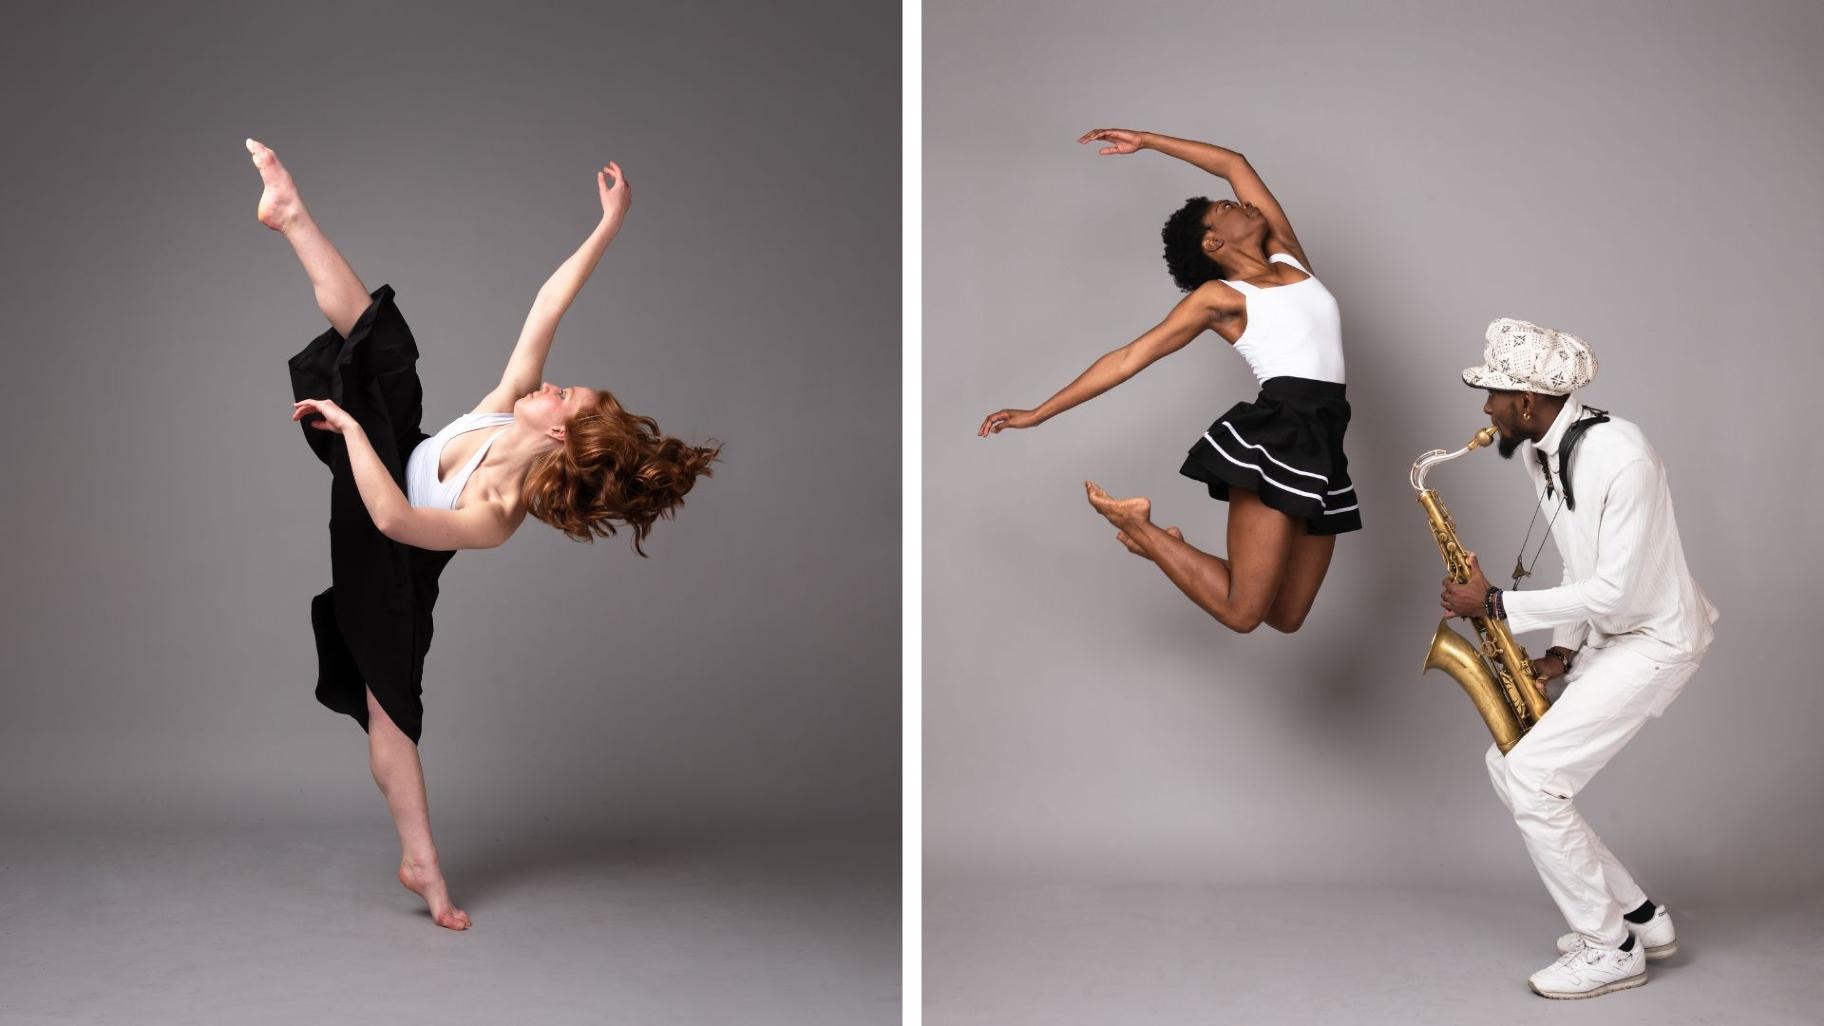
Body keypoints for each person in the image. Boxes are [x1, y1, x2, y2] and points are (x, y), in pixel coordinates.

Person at [248, 138, 719, 930]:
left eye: (563, 394)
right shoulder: (508, 405)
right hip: (388, 466)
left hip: (389, 563)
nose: (550, 383)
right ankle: (290, 213)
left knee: (390, 712)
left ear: (562, 438)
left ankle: (423, 867)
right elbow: (547, 306)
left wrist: (350, 432)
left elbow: (394, 520)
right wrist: (609, 225)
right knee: (388, 350)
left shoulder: (498, 515)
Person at [978, 129, 1358, 634]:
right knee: (1243, 613)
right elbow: (1129, 357)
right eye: (1225, 207)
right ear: (1213, 243)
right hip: (1280, 437)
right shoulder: (1218, 298)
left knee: (1286, 616)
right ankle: (1139, 527)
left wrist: (1149, 141)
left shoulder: (1289, 257)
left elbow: (1233, 162)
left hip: (1326, 439)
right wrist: (1037, 413)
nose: (1238, 202)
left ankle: (1163, 547)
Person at [1442, 318, 1717, 998]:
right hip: (1611, 635)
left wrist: (1496, 605)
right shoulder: (1542, 451)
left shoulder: (1622, 456)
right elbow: (1580, 559)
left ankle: (1609, 947)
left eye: (1494, 395)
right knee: (1511, 765)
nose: (1485, 410)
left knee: (1535, 779)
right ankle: (1641, 919)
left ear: (1529, 402)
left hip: (1656, 639)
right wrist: (1560, 653)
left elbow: (1621, 588)